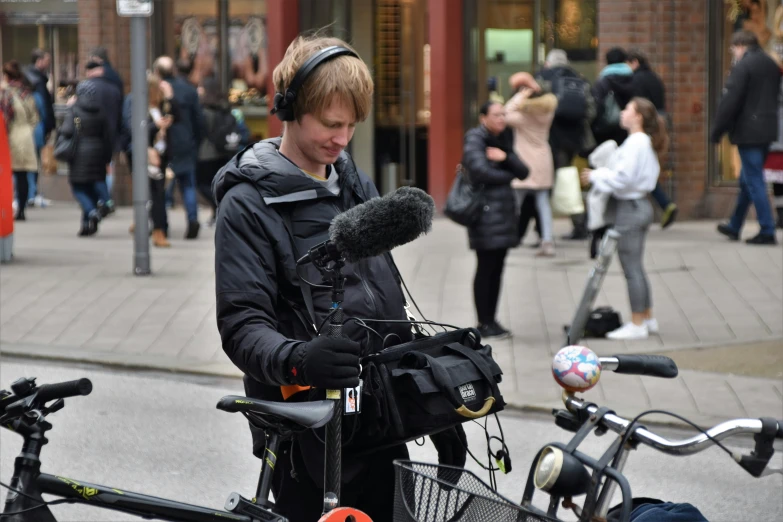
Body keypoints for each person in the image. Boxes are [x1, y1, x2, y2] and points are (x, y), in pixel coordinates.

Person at [212, 34, 466, 521]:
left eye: (351, 125)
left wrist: (429, 399)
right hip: (304, 431)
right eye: (331, 124)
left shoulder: (350, 179)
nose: (343, 138)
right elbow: (242, 324)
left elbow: (385, 303)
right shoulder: (246, 204)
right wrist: (300, 360)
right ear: (289, 109)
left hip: (379, 421)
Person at [580, 97, 667, 340]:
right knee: (636, 267)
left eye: (628, 108)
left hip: (630, 207)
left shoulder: (636, 142)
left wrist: (598, 176)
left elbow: (624, 178)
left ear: (638, 116)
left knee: (631, 269)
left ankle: (637, 323)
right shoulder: (640, 141)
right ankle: (647, 318)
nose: (623, 112)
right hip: (638, 205)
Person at [462, 101, 529, 340]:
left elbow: (524, 171)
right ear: (483, 118)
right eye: (496, 115)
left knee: (497, 268)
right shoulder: (475, 139)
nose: (502, 118)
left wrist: (505, 156)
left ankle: (492, 320)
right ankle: (483, 322)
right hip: (484, 214)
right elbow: (480, 171)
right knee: (486, 267)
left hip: (503, 213)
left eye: (503, 114)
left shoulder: (504, 138)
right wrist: (508, 173)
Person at [712, 30, 781, 246]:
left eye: (734, 48)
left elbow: (730, 100)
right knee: (746, 179)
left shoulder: (743, 66)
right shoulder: (770, 64)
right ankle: (735, 224)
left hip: (749, 130)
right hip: (767, 129)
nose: (733, 52)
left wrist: (717, 131)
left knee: (753, 180)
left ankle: (767, 229)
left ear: (741, 45)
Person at [535, 49, 596, 241]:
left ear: (549, 62)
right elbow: (591, 110)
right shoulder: (579, 79)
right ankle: (579, 225)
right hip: (575, 140)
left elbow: (536, 105)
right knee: (567, 180)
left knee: (546, 184)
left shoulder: (544, 77)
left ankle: (543, 229)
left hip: (550, 138)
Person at [505, 72, 558, 257]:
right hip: (543, 160)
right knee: (543, 202)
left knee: (515, 203)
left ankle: (507, 236)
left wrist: (520, 95)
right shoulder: (547, 112)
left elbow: (505, 113)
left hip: (524, 162)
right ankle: (548, 241)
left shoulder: (522, 117)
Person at [626, 49, 678, 230]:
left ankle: (664, 204)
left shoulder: (638, 79)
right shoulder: (654, 77)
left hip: (650, 125)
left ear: (634, 62)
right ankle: (665, 204)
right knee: (649, 166)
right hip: (660, 124)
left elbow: (640, 106)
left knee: (643, 168)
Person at [154, 56, 205, 239]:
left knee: (162, 187)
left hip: (164, 144)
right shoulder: (189, 90)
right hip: (185, 143)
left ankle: (162, 226)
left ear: (158, 72)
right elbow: (200, 121)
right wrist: (195, 141)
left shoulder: (156, 90)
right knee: (188, 185)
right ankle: (192, 220)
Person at [61, 81, 113, 236]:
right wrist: (107, 158)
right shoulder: (100, 111)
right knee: (91, 190)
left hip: (78, 155)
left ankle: (91, 212)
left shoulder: (74, 109)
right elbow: (107, 137)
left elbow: (66, 130)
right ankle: (87, 225)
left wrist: (68, 109)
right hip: (98, 155)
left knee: (78, 188)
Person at [81, 57, 122, 217]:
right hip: (110, 134)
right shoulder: (114, 89)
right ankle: (107, 199)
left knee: (93, 170)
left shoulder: (86, 88)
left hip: (91, 135)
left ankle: (102, 200)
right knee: (108, 167)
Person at [197, 77, 239, 225]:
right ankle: (218, 210)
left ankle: (218, 206)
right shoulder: (224, 106)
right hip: (223, 151)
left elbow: (201, 131)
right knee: (216, 183)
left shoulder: (204, 110)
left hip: (206, 153)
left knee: (202, 183)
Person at [1, 61, 39, 222]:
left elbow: (5, 118)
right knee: (23, 174)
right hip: (26, 136)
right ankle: (22, 209)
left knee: (8, 175)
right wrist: (28, 129)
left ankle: (9, 208)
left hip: (11, 137)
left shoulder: (6, 94)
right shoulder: (26, 93)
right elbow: (35, 117)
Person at [23, 49, 55, 207]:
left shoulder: (21, 93)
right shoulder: (38, 87)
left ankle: (28, 194)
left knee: (25, 166)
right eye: (46, 59)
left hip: (23, 135)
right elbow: (44, 112)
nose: (48, 62)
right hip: (34, 132)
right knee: (33, 163)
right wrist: (49, 128)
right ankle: (31, 194)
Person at [592, 47, 635, 148]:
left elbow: (596, 105)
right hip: (628, 128)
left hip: (606, 130)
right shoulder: (634, 79)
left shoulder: (602, 82)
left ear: (607, 62)